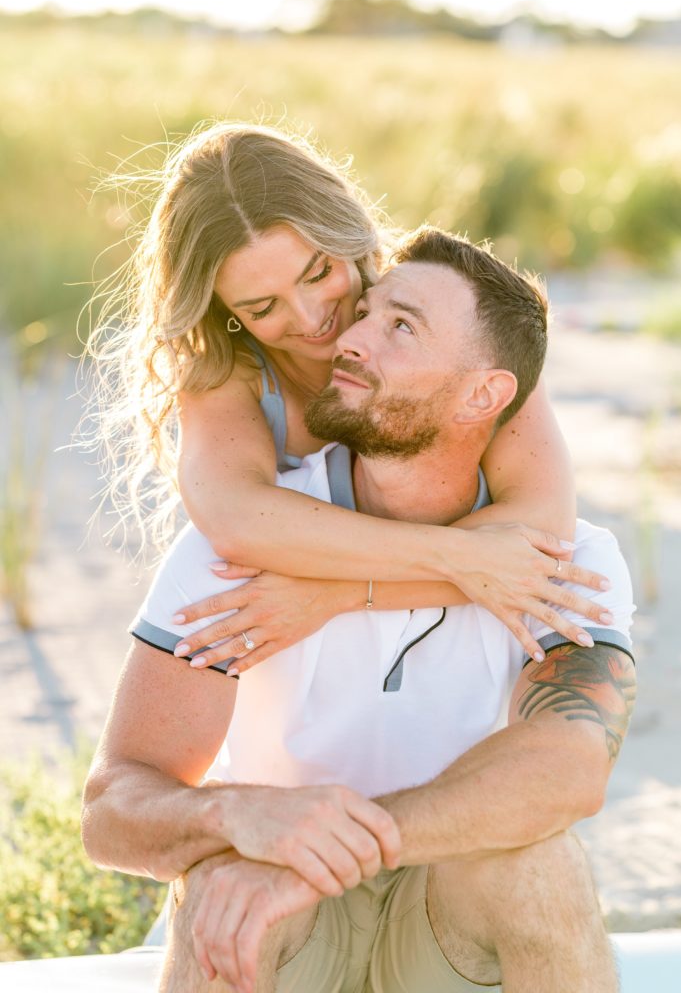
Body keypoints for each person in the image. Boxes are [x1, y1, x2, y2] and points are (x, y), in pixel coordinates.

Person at [82, 227, 636, 993]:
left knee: (541, 861)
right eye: (367, 310)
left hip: (443, 917)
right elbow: (112, 807)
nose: (349, 337)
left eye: (400, 327)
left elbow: (567, 770)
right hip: (281, 923)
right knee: (220, 881)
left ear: (484, 394)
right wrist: (234, 820)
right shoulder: (240, 543)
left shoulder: (560, 563)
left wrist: (342, 848)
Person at [86, 121, 611, 667]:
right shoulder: (226, 371)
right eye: (262, 309)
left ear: (347, 233)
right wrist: (461, 556)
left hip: (450, 642)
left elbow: (541, 527)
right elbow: (236, 520)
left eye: (318, 273)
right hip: (297, 653)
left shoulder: (446, 316)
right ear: (226, 313)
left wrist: (336, 596)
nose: (314, 321)